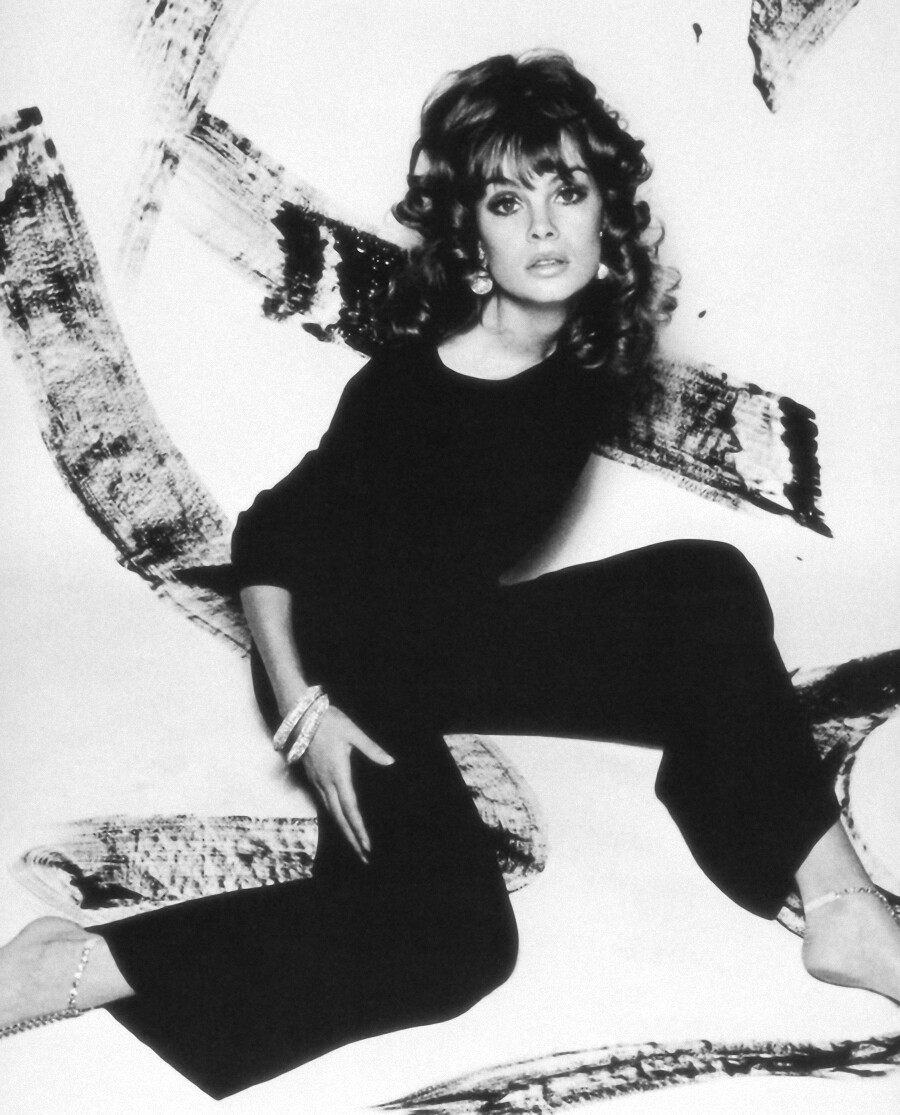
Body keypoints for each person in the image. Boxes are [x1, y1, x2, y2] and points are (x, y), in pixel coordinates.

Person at [1, 50, 899, 1100]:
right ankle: (77, 959)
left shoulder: (584, 353)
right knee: (455, 946)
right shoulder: (414, 392)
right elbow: (271, 537)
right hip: (343, 663)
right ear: (472, 237)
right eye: (508, 203)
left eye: (567, 192)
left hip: (451, 637)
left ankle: (835, 901)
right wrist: (303, 707)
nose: (544, 227)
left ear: (607, 216)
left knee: (707, 582)